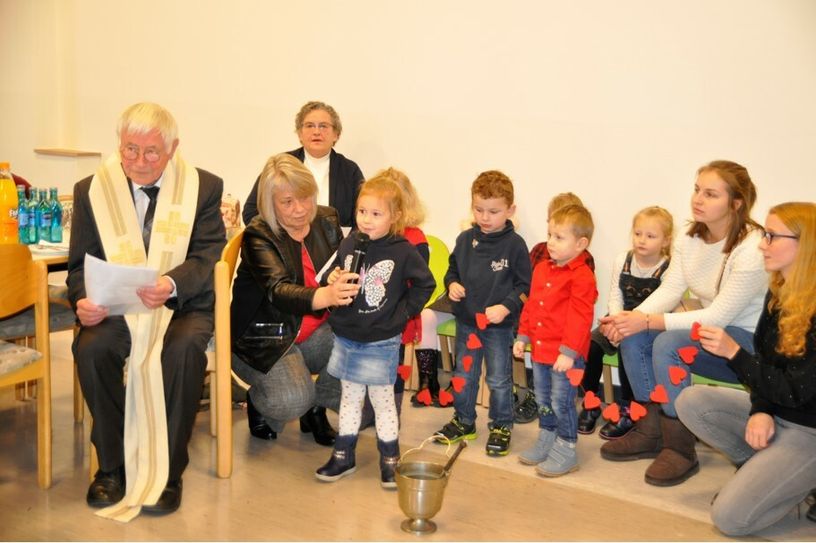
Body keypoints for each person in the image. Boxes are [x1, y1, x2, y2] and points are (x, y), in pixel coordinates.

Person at [67, 102, 226, 519]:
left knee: (182, 351)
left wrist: (171, 283)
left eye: (151, 151)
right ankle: (112, 468)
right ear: (119, 146)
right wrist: (83, 300)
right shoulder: (91, 190)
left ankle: (168, 472)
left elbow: (209, 255)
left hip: (182, 303)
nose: (139, 161)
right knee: (93, 349)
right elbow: (79, 264)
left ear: (173, 148)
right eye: (130, 149)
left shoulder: (203, 188)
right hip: (117, 307)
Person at [599, 160, 768, 487]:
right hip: (711, 338)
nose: (697, 199)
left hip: (748, 346)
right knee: (637, 337)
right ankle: (652, 430)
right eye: (696, 190)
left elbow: (718, 316)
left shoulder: (752, 249)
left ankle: (680, 447)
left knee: (667, 342)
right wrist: (629, 322)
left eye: (710, 194)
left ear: (736, 203)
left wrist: (647, 319)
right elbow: (673, 288)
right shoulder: (690, 239)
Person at [676, 201, 816, 536]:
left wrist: (734, 353)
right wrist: (761, 410)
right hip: (780, 414)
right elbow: (768, 364)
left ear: (805, 245)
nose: (761, 244)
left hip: (809, 430)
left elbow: (795, 391)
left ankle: (798, 482)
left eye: (771, 236)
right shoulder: (778, 292)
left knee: (729, 518)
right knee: (692, 401)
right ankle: (768, 470)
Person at [314, 175, 435, 488]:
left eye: (376, 214)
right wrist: (335, 277)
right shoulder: (351, 241)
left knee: (382, 402)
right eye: (362, 212)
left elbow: (426, 284)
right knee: (350, 399)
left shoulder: (403, 250)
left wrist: (404, 314)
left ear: (394, 217)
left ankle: (390, 457)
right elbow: (328, 276)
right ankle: (344, 454)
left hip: (381, 339)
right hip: (347, 335)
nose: (366, 220)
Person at [230, 153, 349, 447]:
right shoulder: (258, 234)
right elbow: (278, 291)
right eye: (287, 202)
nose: (300, 209)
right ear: (270, 203)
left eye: (305, 198)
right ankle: (262, 402)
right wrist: (327, 294)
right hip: (264, 338)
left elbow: (341, 266)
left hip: (312, 332)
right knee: (291, 401)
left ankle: (315, 408)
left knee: (362, 348)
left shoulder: (326, 219)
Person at [433, 170, 532, 456]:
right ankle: (464, 421)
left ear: (510, 210)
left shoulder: (515, 245)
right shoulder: (465, 239)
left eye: (494, 211)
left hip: (499, 328)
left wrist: (506, 307)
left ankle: (502, 424)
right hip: (467, 322)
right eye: (479, 209)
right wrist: (451, 284)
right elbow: (451, 270)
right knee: (463, 374)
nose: (485, 217)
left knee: (499, 379)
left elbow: (525, 286)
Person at [513, 204, 597, 476]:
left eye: (559, 237)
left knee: (562, 401)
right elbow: (532, 305)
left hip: (565, 355)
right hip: (540, 349)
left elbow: (581, 317)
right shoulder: (542, 270)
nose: (550, 242)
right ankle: (548, 436)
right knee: (543, 398)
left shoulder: (582, 276)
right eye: (550, 234)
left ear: (580, 244)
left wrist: (569, 352)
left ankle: (567, 446)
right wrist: (523, 335)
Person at [578, 206, 673, 439]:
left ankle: (629, 409)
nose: (642, 240)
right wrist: (617, 323)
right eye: (638, 233)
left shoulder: (669, 267)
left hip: (649, 328)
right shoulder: (624, 259)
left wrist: (626, 328)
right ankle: (590, 403)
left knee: (630, 347)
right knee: (589, 346)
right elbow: (615, 295)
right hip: (617, 321)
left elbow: (664, 305)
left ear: (666, 240)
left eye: (651, 236)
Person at [243, 101, 364, 228]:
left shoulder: (350, 171)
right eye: (310, 126)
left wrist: (346, 246)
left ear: (336, 134)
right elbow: (251, 213)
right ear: (300, 134)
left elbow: (364, 217)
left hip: (336, 245)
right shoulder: (281, 166)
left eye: (323, 126)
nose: (316, 132)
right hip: (285, 244)